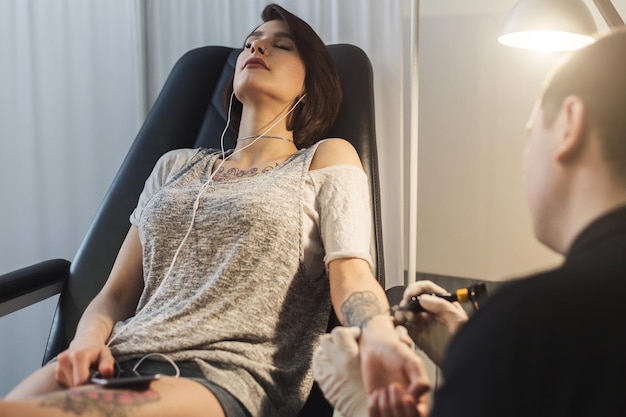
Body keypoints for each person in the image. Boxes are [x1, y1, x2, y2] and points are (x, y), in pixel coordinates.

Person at [0, 4, 427, 417]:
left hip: (224, 375)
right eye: (251, 43)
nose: (256, 49)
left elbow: (352, 276)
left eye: (281, 45)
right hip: (114, 360)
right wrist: (86, 343)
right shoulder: (176, 164)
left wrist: (381, 336)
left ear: (310, 84)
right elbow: (114, 294)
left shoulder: (325, 159)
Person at [313, 27, 626, 417]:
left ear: (569, 125)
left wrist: (357, 404)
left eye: (531, 135)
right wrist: (475, 357)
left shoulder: (531, 325)